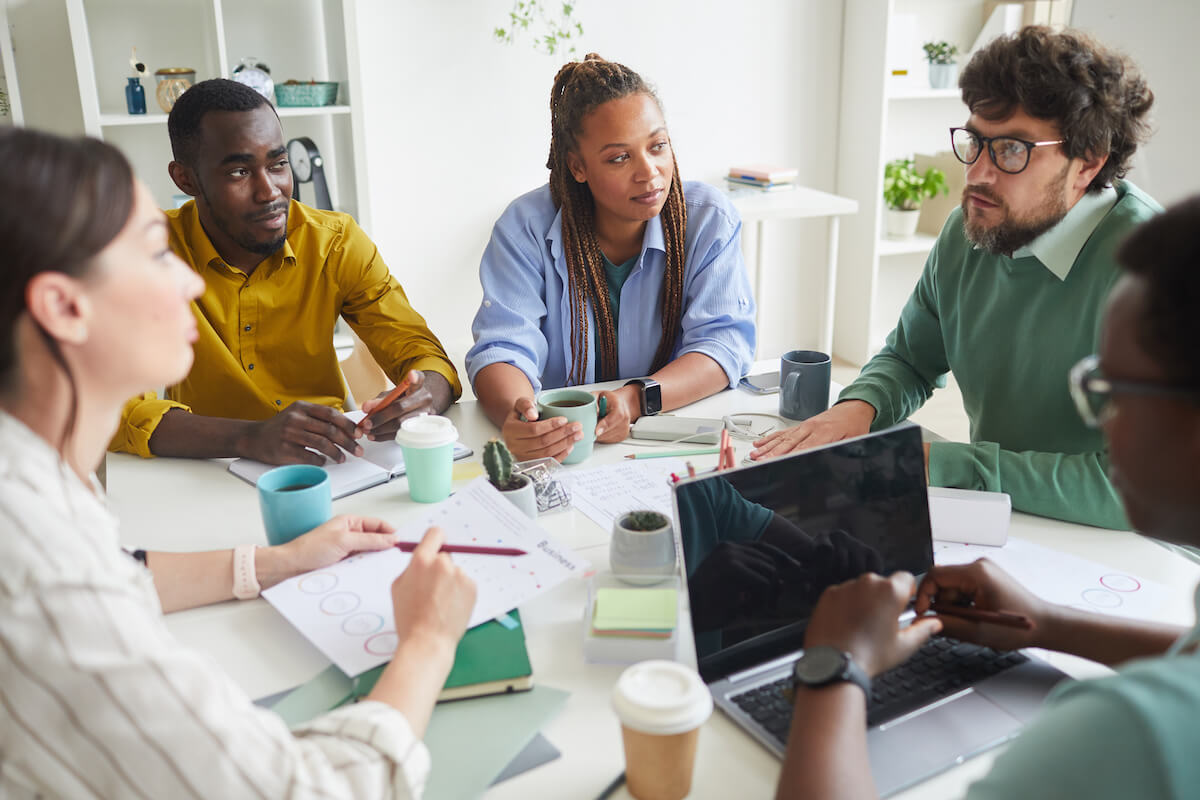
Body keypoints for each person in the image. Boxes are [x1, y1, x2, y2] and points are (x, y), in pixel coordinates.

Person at [0, 127, 476, 797]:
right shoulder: (41, 574)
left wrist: (277, 560)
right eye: (157, 253)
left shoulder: (36, 486)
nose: (193, 278)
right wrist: (429, 640)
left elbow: (120, 573)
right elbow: (300, 790)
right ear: (63, 306)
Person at [775, 195, 1200, 799]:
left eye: (1111, 389)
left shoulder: (1128, 735)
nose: (1101, 420)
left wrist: (833, 668)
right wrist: (1045, 624)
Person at [752, 27, 1159, 530]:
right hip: (1007, 521)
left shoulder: (1159, 275)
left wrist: (941, 465)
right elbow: (911, 357)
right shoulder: (970, 232)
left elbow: (1143, 488)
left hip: (1138, 554)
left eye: (1012, 150)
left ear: (1087, 163)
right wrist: (857, 408)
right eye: (975, 141)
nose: (976, 174)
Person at [110, 79, 461, 466]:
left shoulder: (335, 242)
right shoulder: (148, 253)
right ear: (186, 179)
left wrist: (422, 396)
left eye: (278, 164)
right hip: (208, 466)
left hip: (333, 465)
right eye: (240, 172)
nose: (271, 192)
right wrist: (250, 436)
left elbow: (422, 354)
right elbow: (114, 406)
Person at [465, 54, 756, 462]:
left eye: (658, 146)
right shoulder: (524, 228)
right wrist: (520, 417)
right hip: (564, 452)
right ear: (578, 167)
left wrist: (636, 400)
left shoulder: (708, 220)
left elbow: (723, 344)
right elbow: (503, 347)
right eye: (619, 158)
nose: (649, 172)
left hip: (664, 446)